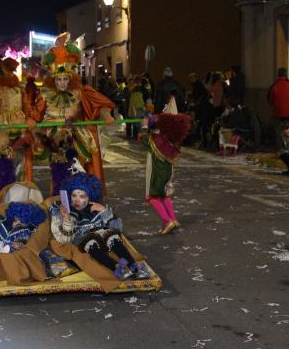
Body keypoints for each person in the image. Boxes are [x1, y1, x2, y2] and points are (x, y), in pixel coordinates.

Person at [23, 33, 114, 194]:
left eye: (65, 79)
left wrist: (106, 115)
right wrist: (31, 120)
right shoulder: (45, 94)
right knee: (58, 171)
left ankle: (79, 198)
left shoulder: (80, 91)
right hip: (53, 136)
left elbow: (100, 104)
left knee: (77, 168)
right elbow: (36, 113)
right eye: (59, 80)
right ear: (53, 79)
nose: (63, 83)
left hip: (76, 133)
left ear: (70, 78)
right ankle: (59, 199)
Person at [49, 172, 150, 280]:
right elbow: (65, 238)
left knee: (113, 237)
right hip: (84, 239)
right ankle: (117, 268)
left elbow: (118, 229)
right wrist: (67, 219)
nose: (77, 200)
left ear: (90, 197)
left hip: (104, 235)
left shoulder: (96, 208)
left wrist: (104, 211)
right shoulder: (67, 211)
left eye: (82, 196)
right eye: (74, 195)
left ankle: (134, 266)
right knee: (91, 243)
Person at [0, 57, 33, 190]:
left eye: (12, 71)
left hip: (19, 131)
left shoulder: (19, 90)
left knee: (19, 165)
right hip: (2, 133)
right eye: (9, 71)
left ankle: (19, 191)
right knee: (3, 166)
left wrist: (29, 120)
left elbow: (26, 109)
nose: (12, 74)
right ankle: (4, 194)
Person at [139, 99, 191, 235]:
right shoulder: (169, 139)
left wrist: (144, 126)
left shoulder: (157, 140)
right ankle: (173, 219)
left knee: (152, 197)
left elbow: (143, 139)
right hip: (167, 171)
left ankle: (168, 220)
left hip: (157, 171)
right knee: (164, 195)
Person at [268, 68, 289, 149]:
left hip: (278, 113)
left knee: (279, 132)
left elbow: (270, 101)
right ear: (286, 74)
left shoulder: (274, 85)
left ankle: (280, 148)